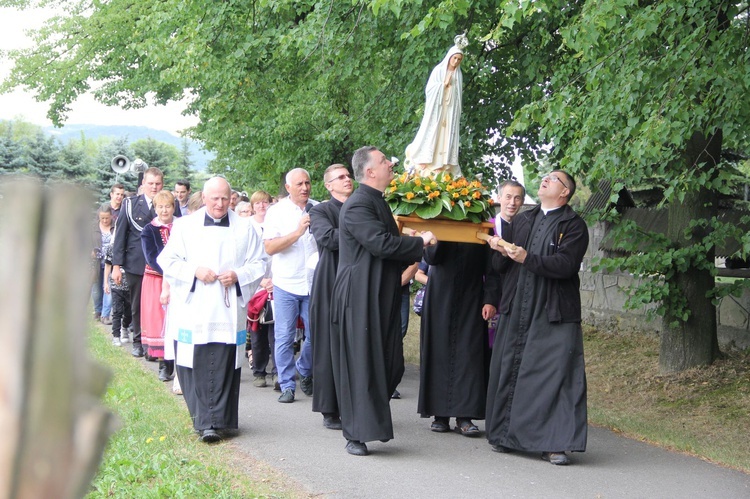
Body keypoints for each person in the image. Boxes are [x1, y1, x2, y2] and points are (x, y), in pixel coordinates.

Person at [330, 146, 434, 456]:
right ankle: (355, 434)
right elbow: (379, 243)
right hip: (358, 296)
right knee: (361, 364)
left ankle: (370, 422)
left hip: (378, 294)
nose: (391, 164)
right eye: (385, 161)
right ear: (370, 171)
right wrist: (420, 241)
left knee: (389, 364)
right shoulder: (359, 204)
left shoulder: (376, 202)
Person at [485, 170, 589, 466]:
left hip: (552, 310)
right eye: (545, 176)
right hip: (518, 305)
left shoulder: (574, 225)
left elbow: (566, 265)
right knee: (510, 368)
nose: (545, 179)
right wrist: (501, 250)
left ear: (564, 192)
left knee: (553, 375)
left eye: (553, 179)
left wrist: (525, 257)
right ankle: (504, 435)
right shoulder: (524, 219)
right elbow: (501, 268)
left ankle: (553, 443)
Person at [158, 176, 267, 443]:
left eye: (224, 198)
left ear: (231, 198)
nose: (219, 204)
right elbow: (167, 260)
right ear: (204, 198)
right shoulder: (185, 226)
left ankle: (222, 421)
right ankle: (204, 422)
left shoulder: (245, 228)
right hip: (195, 308)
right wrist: (194, 270)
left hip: (228, 309)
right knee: (196, 363)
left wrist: (238, 275)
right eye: (214, 198)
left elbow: (260, 262)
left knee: (224, 363)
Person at [417, 238, 500, 436]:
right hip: (439, 297)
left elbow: (492, 270)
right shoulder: (440, 220)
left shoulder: (480, 228)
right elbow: (431, 258)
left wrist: (490, 300)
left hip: (471, 297)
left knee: (469, 354)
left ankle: (465, 416)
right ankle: (440, 415)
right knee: (438, 353)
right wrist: (438, 235)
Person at [112, 166, 180, 357]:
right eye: (150, 183)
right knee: (137, 306)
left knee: (161, 306)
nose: (154, 187)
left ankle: (157, 345)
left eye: (158, 183)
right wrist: (116, 266)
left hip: (166, 267)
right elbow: (120, 236)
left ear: (163, 184)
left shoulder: (170, 204)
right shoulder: (130, 204)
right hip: (137, 263)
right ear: (143, 184)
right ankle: (138, 341)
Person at [263, 168, 318, 404]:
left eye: (307, 183)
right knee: (284, 337)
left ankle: (304, 368)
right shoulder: (276, 212)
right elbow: (270, 248)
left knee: (317, 334)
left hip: (313, 282)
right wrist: (297, 232)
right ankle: (286, 385)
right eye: (299, 184)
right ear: (288, 188)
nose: (304, 188)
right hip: (286, 282)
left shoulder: (319, 208)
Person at [309, 164, 353, 430]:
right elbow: (328, 238)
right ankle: (329, 407)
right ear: (329, 185)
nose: (347, 180)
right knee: (327, 344)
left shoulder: (361, 207)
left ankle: (351, 402)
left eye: (348, 175)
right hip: (330, 280)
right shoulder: (320, 210)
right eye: (341, 177)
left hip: (356, 282)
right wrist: (361, 233)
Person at [404, 34, 468, 177]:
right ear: (449, 57)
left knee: (446, 137)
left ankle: (444, 164)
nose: (456, 61)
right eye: (454, 58)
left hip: (450, 111)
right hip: (437, 109)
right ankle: (427, 162)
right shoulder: (439, 70)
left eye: (459, 59)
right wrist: (442, 86)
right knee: (433, 132)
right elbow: (430, 89)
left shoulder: (459, 75)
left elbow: (458, 96)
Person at [141, 190, 176, 380]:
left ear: (173, 207)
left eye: (168, 206)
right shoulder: (149, 230)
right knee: (160, 320)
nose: (164, 210)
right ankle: (164, 363)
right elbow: (151, 257)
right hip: (156, 279)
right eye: (160, 207)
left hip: (180, 281)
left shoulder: (182, 226)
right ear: (155, 208)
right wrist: (172, 272)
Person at [488, 180, 526, 348]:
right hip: (489, 295)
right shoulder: (486, 227)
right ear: (499, 198)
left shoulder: (527, 229)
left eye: (517, 198)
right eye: (508, 197)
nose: (512, 203)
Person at [246, 190, 276, 388]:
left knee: (277, 330)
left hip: (276, 282)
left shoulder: (275, 222)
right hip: (256, 285)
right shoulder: (247, 226)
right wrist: (260, 280)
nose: (261, 206)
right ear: (252, 205)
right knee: (257, 330)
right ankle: (259, 371)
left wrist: (273, 280)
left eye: (265, 202)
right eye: (258, 203)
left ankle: (277, 372)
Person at [92, 204, 114, 324]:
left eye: (107, 218)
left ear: (111, 216)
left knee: (108, 288)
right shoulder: (93, 228)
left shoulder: (115, 227)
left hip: (110, 262)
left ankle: (105, 315)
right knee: (96, 290)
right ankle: (98, 310)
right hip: (95, 263)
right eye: (102, 218)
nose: (105, 221)